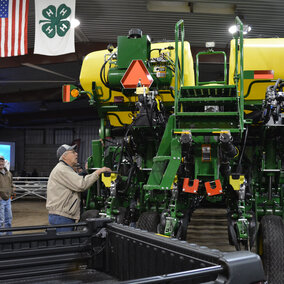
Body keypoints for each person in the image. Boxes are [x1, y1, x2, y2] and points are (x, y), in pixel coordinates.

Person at [46, 144, 111, 232]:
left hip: (62, 216)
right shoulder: (62, 170)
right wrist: (98, 172)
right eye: (73, 152)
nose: (76, 154)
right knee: (66, 243)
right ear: (64, 156)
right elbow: (81, 184)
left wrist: (89, 173)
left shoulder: (65, 169)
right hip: (62, 217)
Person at [0, 155, 14, 235]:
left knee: (9, 218)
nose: (1, 162)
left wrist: (11, 193)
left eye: (2, 161)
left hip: (8, 199)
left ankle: (9, 236)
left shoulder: (9, 173)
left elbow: (11, 184)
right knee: (1, 220)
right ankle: (1, 239)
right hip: (0, 199)